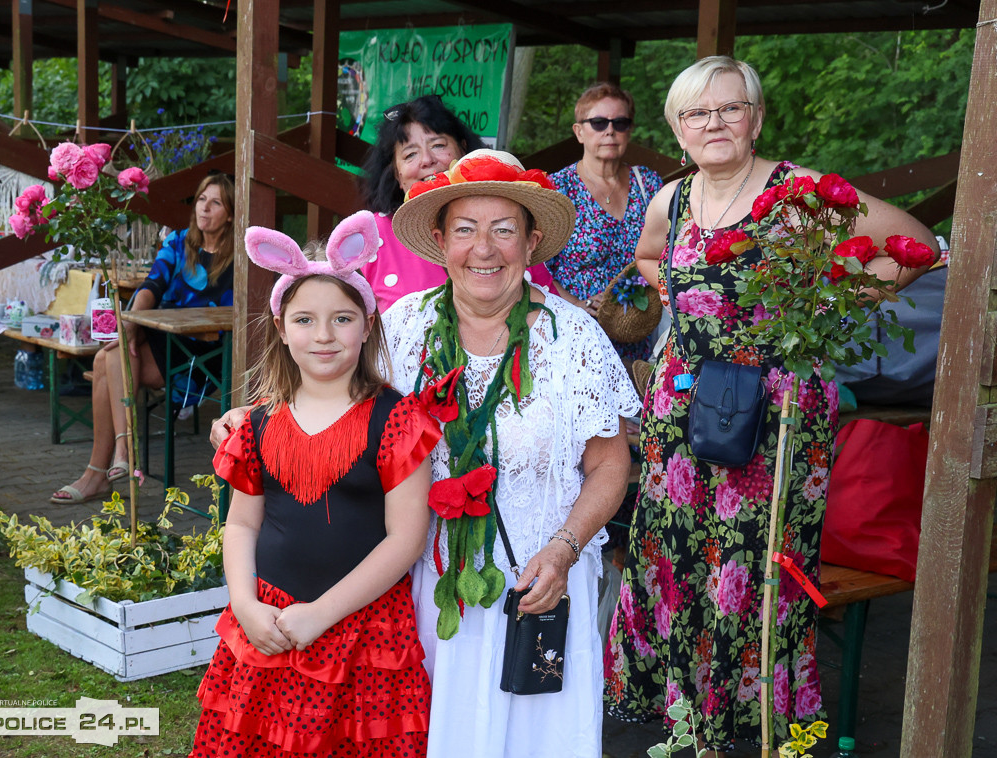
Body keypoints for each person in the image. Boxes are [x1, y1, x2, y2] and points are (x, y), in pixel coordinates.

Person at [214, 150, 640, 757]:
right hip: (427, 591)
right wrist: (251, 419)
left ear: (532, 240)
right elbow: (330, 397)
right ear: (439, 241)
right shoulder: (402, 328)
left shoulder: (573, 338)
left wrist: (566, 546)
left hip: (542, 582)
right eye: (465, 230)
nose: (484, 249)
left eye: (503, 230)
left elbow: (609, 463)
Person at [603, 56, 939, 753]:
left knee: (760, 558)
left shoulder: (805, 191)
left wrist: (844, 297)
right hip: (685, 401)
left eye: (730, 108)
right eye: (697, 112)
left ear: (754, 117)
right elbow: (646, 256)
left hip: (778, 408)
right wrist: (677, 290)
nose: (714, 123)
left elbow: (919, 246)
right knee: (678, 551)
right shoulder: (675, 196)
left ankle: (757, 719)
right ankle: (687, 714)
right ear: (678, 127)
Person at [191, 211, 441, 757]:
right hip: (269, 625)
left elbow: (405, 539)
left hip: (363, 632)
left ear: (369, 323)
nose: (323, 336)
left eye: (342, 319)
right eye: (304, 320)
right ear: (281, 329)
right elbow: (241, 523)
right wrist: (245, 605)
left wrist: (321, 614)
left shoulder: (397, 421)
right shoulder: (256, 424)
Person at [50, 172, 235, 504]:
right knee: (113, 351)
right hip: (161, 339)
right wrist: (133, 322)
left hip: (202, 356)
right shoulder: (178, 242)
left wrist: (133, 328)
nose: (204, 209)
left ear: (231, 213)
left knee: (106, 359)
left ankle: (105, 466)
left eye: (216, 202)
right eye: (201, 200)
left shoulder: (237, 260)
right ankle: (117, 456)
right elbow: (152, 286)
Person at [358, 94, 556, 311]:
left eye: (438, 145)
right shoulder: (371, 234)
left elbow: (548, 299)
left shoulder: (508, 221)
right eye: (410, 154)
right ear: (397, 174)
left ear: (463, 150)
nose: (427, 160)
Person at [549, 83, 664, 361]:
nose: (610, 131)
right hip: (573, 336)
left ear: (629, 131)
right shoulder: (556, 188)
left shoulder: (648, 183)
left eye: (620, 122)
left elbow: (666, 254)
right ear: (579, 132)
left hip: (637, 337)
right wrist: (575, 305)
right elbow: (535, 266)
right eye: (598, 123)